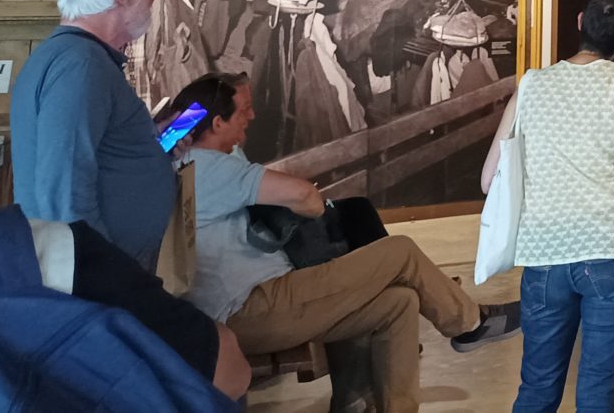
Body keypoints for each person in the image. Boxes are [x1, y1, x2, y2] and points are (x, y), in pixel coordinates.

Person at [164, 73, 515, 413]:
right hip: (255, 306)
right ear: (218, 123)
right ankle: (468, 323)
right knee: (401, 252)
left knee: (399, 303)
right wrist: (309, 207)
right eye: (242, 111)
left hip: (251, 305)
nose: (251, 117)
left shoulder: (181, 164)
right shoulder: (210, 166)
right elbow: (306, 198)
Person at [10, 0, 251, 400]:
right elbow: (62, 190)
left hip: (100, 272)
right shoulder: (80, 65)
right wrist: (111, 289)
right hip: (96, 279)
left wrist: (151, 145)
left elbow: (91, 157)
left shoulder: (78, 60)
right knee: (225, 363)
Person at [483, 0, 614, 413]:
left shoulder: (531, 84)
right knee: (598, 395)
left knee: (537, 388)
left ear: (580, 23)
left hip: (545, 257)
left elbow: (488, 178)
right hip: (613, 256)